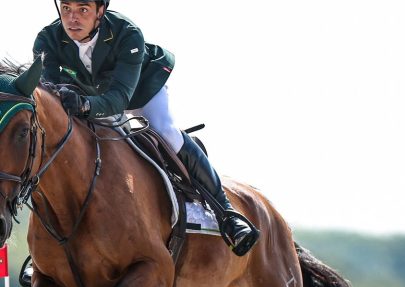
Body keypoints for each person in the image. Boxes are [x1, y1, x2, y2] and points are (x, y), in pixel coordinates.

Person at [33, 0, 259, 256]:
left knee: (166, 132)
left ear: (100, 11)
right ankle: (49, 243)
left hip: (140, 91)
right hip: (90, 96)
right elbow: (49, 95)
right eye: (66, 9)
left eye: (83, 10)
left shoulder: (127, 33)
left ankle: (227, 213)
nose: (72, 18)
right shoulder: (47, 39)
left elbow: (119, 99)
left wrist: (84, 105)